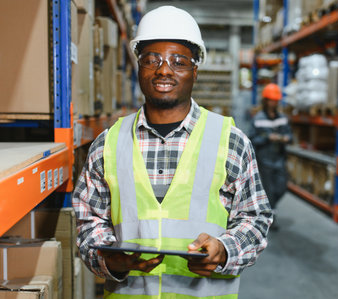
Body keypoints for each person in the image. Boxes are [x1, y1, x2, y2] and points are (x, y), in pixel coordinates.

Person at [72, 5, 272, 298]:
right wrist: (108, 260)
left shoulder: (231, 141)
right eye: (151, 60)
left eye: (178, 61)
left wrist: (225, 251)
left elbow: (255, 218)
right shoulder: (107, 144)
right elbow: (88, 221)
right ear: (139, 67)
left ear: (195, 69)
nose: (164, 70)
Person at [249, 83, 293, 230]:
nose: (273, 103)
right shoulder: (259, 118)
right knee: (269, 189)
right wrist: (268, 138)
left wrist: (285, 138)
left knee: (281, 187)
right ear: (265, 100)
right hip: (265, 159)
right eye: (270, 100)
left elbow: (290, 135)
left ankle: (268, 210)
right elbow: (252, 139)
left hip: (279, 158)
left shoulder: (282, 118)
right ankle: (270, 219)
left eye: (275, 100)